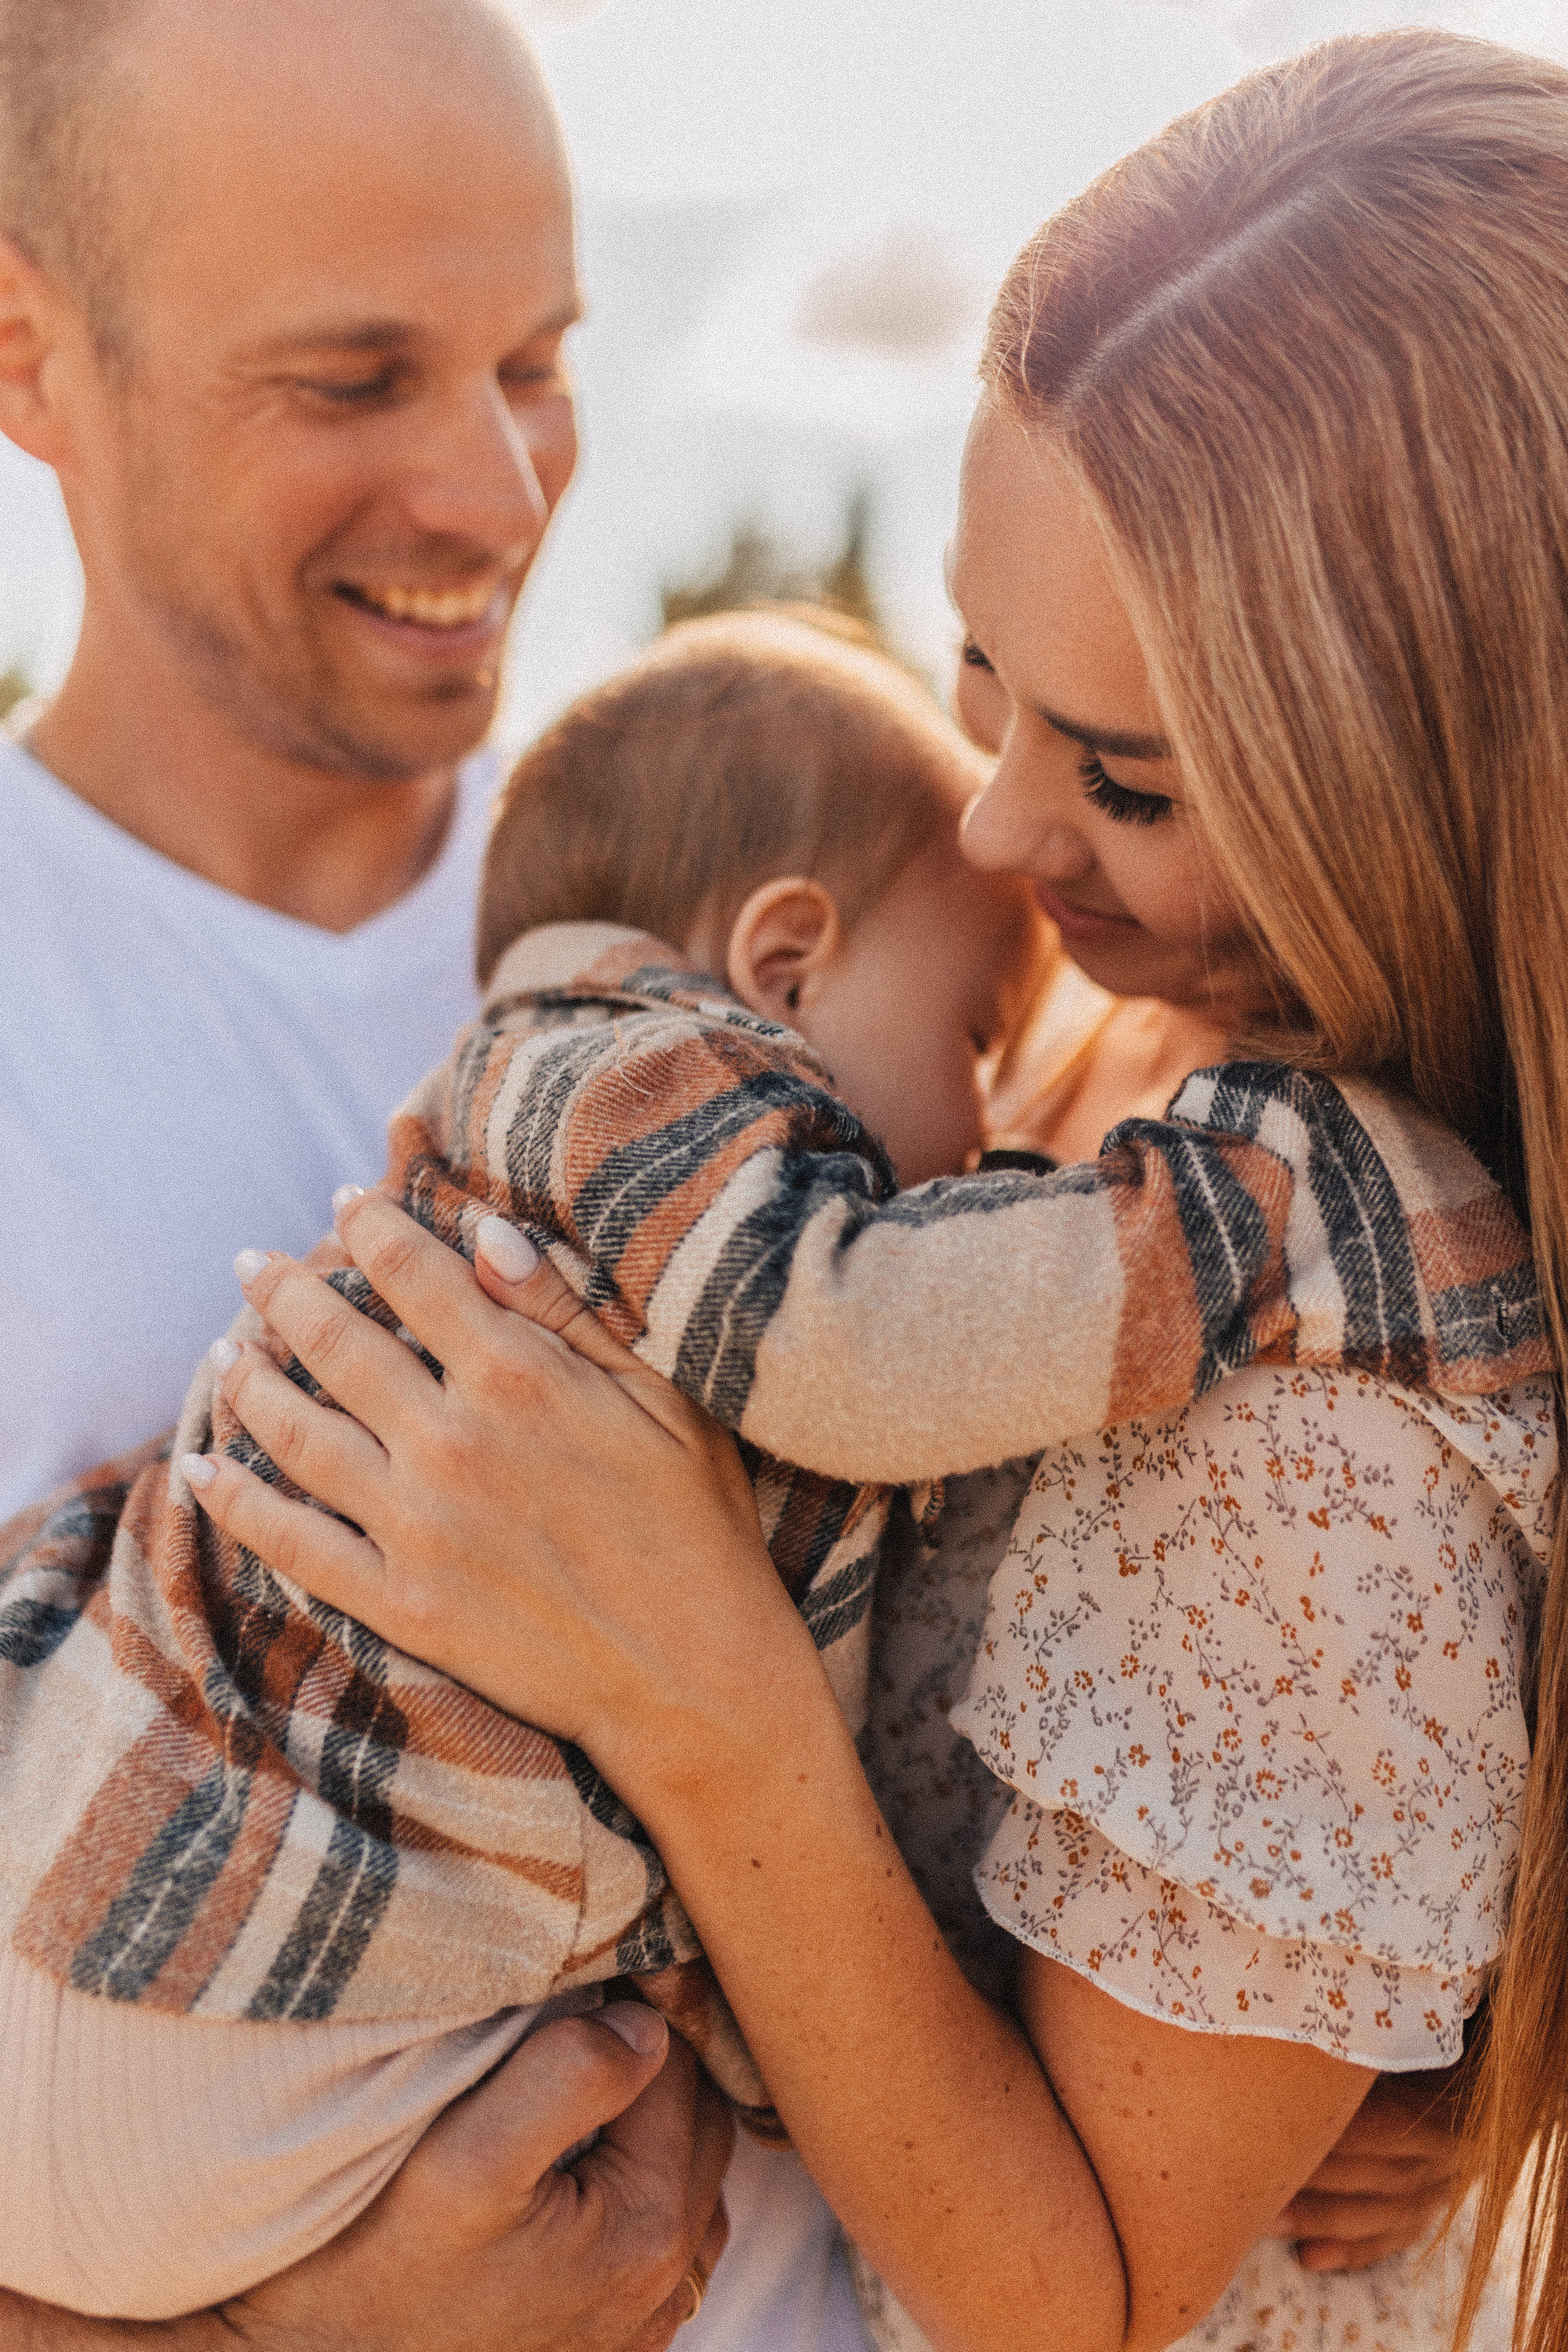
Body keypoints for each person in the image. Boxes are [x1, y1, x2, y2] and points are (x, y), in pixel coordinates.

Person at [185, 29, 1568, 2350]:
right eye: (980, 673)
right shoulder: (1141, 1107)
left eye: (1121, 778)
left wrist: (702, 1694)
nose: (1000, 830)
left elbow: (1071, 2307)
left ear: (1419, 796)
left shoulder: (1315, 1397)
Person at [0, 0, 755, 2340]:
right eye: (350, 382)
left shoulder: (780, 901)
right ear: (31, 359)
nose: (507, 494)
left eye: (536, 357)